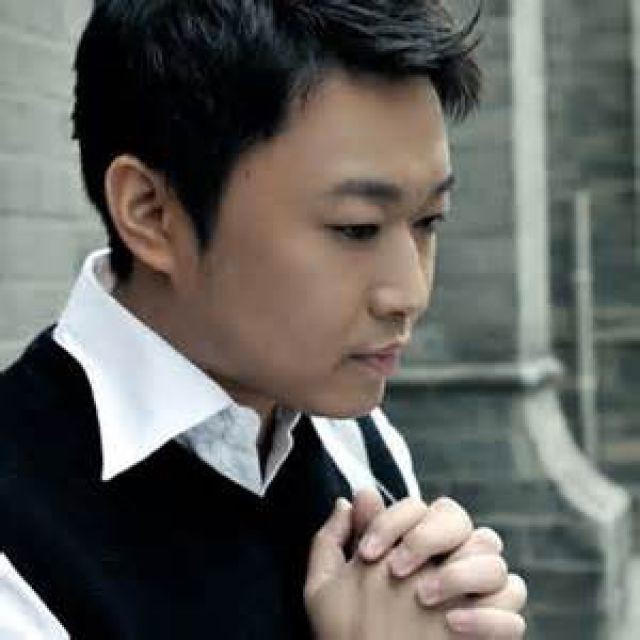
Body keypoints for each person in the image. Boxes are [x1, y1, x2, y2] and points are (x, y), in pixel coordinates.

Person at [0, 1, 527, 638]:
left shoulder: (353, 438)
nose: (409, 293)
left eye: (428, 221)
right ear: (151, 213)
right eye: (356, 228)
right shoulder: (20, 541)